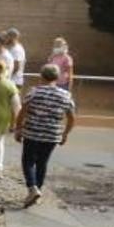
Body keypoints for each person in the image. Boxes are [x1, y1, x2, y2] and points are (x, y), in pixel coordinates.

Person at [16, 65, 77, 208]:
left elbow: (22, 112)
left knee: (28, 161)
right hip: (52, 134)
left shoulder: (34, 93)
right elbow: (72, 117)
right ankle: (37, 192)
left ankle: (32, 188)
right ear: (57, 78)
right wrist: (65, 133)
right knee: (42, 163)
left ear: (41, 76)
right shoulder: (65, 95)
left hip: (32, 132)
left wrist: (18, 128)